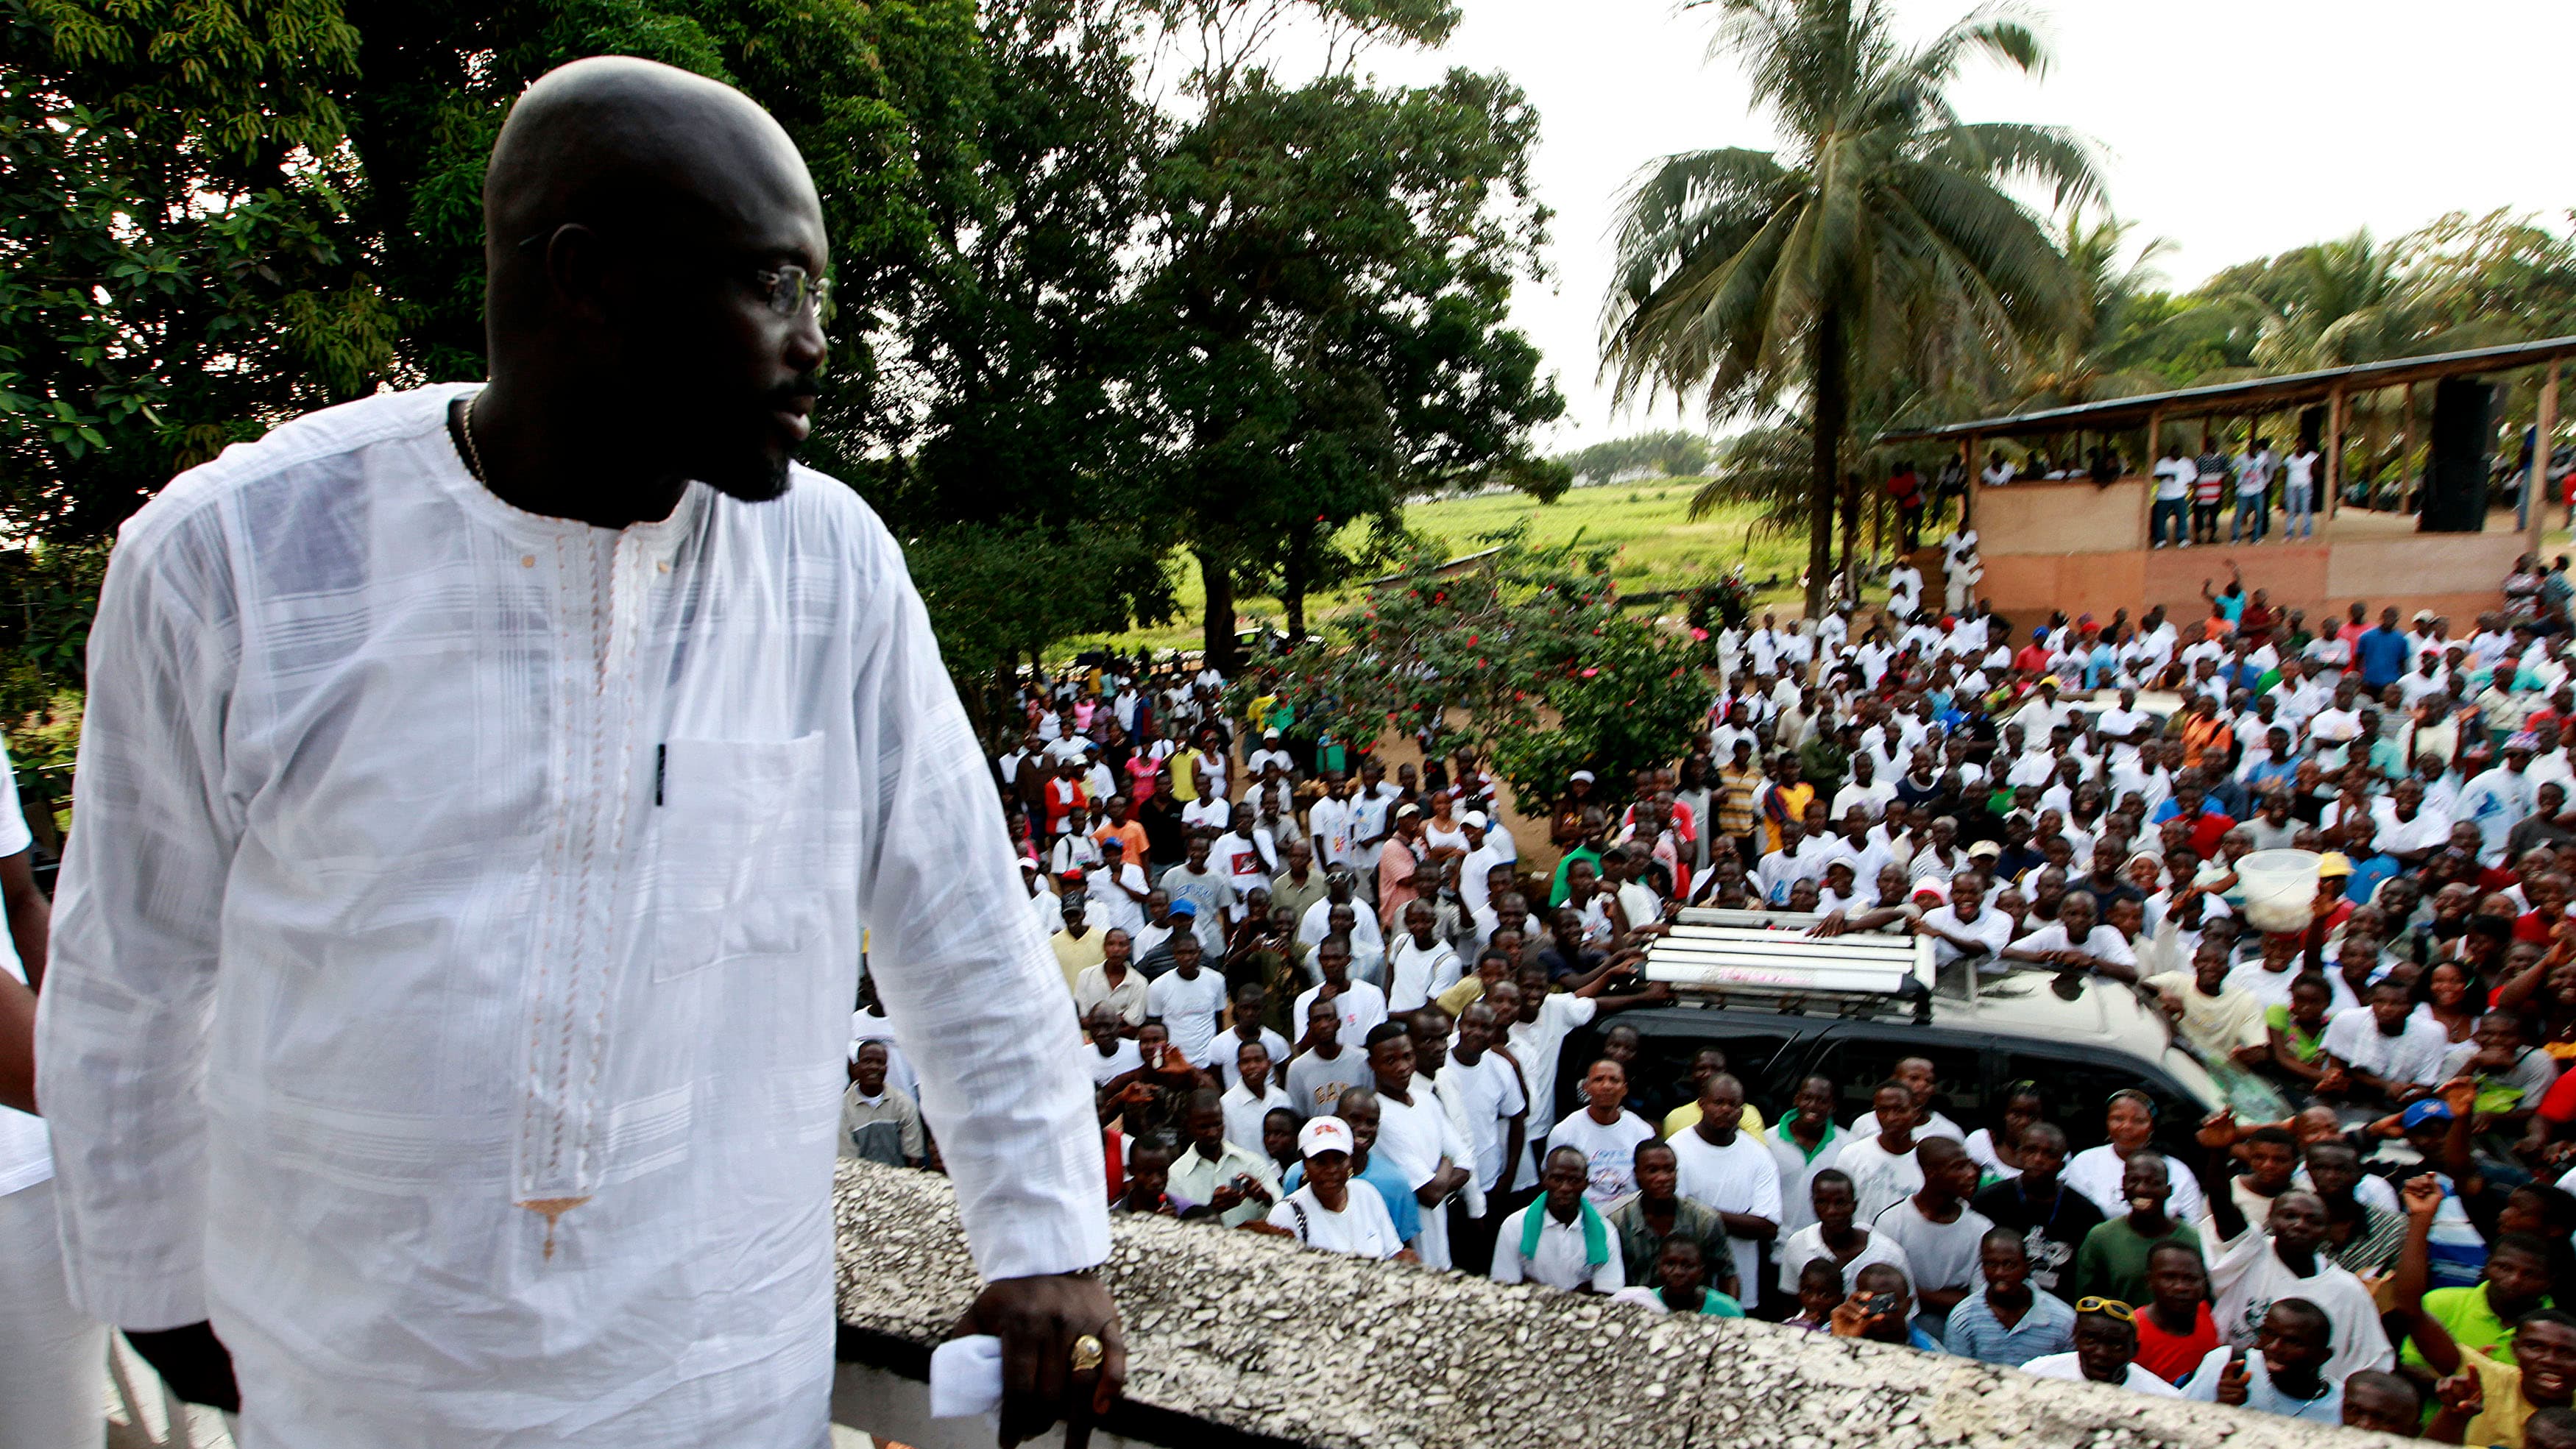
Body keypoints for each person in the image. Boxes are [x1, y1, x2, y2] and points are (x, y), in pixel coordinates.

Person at [36, 57, 1120, 1446]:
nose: (818, 343)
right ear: (590, 279)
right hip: (357, 1369)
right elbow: (133, 965)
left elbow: (959, 913)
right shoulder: (236, 560)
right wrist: (154, 1274)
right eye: (775, 285)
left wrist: (1043, 1239)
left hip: (722, 1370)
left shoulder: (830, 565)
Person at [1666, 1072, 1783, 1300]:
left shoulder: (1759, 1156)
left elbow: (1768, 1226)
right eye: (1718, 1102)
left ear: (1742, 1110)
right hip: (1683, 1284)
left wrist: (1699, 1212)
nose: (1726, 1110)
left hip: (1740, 1284)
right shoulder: (1675, 1148)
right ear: (1702, 1104)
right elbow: (1673, 1216)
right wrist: (1738, 1220)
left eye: (1733, 1104)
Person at [1870, 1136, 1992, 1339]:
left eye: (1970, 1166)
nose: (1971, 1174)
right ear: (1931, 1173)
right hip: (1897, 1323)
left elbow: (1978, 1304)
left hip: (1961, 1321)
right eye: (1959, 1168)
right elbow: (1881, 1296)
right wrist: (1948, 1296)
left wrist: (1914, 1292)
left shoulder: (1982, 1228)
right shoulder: (1891, 1222)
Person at [1970, 1122, 2102, 1303]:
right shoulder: (1988, 1201)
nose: (2038, 1159)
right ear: (2018, 1155)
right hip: (1996, 1302)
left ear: (2062, 1164)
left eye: (2050, 1154)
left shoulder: (2085, 1212)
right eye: (2031, 1150)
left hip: (2062, 1306)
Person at [1264, 1116, 1407, 1260]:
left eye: (1339, 1160)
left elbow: (1394, 1254)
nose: (1331, 1169)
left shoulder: (1367, 1193)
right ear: (1304, 1164)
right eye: (1320, 1161)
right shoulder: (1286, 1214)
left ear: (1350, 1160)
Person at [2178, 1300, 2344, 1423]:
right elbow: (2180, 1424)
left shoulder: (2342, 1406)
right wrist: (2219, 1408)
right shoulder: (2228, 1364)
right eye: (2269, 1334)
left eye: (2293, 1342)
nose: (2274, 1347)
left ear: (2323, 1356)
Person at [2071, 1152, 2201, 1308]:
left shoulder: (2193, 1240)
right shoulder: (2100, 1238)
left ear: (2168, 1190)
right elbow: (2086, 1302)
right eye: (2134, 1181)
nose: (2141, 1189)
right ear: (2123, 1186)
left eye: (2153, 1182)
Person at [1610, 1139, 1736, 1300]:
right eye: (1652, 1170)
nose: (1663, 1178)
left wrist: (1730, 1314)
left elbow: (1728, 1274)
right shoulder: (1617, 1222)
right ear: (1637, 1175)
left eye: (1669, 1170)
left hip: (1694, 1313)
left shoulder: (1705, 1220)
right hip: (1636, 1312)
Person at [1490, 1146, 1623, 1293]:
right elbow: (1505, 1286)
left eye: (1574, 1180)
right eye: (1557, 1179)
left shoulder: (1605, 1231)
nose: (1565, 1188)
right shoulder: (1514, 1226)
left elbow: (1608, 1291)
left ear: (1585, 1184)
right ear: (1545, 1179)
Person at [1943, 1227, 2076, 1366]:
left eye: (2009, 1264)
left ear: (2027, 1267)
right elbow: (1957, 1373)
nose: (1999, 1272)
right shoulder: (1963, 1318)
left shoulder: (2063, 1321)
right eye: (1991, 1264)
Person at [1543, 1058, 1656, 1204]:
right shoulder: (1564, 1132)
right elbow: (1551, 1183)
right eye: (1599, 1080)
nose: (1606, 1086)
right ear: (1586, 1087)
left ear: (1624, 1089)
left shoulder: (1643, 1132)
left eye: (1614, 1080)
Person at [1167, 1088, 1280, 1229]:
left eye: (1217, 1124)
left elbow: (1283, 1214)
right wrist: (1212, 1210)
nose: (1212, 1133)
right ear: (1189, 1126)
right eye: (1204, 1127)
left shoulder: (1252, 1163)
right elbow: (1177, 1230)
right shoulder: (1176, 1176)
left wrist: (1265, 1198)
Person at [2023, 1297, 2183, 1396]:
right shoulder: (2035, 1375)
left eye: (2116, 1345)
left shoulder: (2163, 1398)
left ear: (2135, 1350)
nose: (2101, 1353)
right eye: (2091, 1340)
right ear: (2075, 1338)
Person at [2130, 1241, 2222, 1386]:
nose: (2180, 1287)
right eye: (2169, 1277)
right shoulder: (2131, 1333)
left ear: (2204, 1284)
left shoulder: (2207, 1314)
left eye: (2190, 1279)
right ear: (2149, 1281)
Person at [1607, 1234, 1747, 1318]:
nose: (1678, 1272)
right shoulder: (1641, 1302)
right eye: (1670, 1264)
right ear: (1658, 1267)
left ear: (1702, 1271)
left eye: (1688, 1266)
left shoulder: (1727, 1309)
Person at [839, 1041, 927, 1167]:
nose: (874, 1067)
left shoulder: (904, 1104)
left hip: (900, 1180)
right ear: (856, 1067)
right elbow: (849, 1163)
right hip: (858, 1181)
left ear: (886, 1068)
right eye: (867, 1061)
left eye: (880, 1062)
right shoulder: (843, 1108)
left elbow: (914, 1157)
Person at [1827, 1261, 1942, 1353]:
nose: (1882, 1315)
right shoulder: (1836, 1328)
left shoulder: (1929, 1351)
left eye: (1889, 1304)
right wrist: (1841, 1341)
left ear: (1908, 1305)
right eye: (1874, 1304)